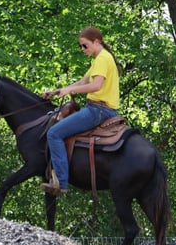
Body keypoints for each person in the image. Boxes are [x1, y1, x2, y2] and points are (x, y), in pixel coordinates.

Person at [40, 26, 121, 195]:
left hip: (98, 110)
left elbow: (96, 85)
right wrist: (58, 91)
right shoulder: (100, 58)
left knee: (54, 133)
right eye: (81, 46)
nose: (83, 49)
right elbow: (83, 82)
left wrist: (70, 91)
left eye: (85, 45)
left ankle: (61, 183)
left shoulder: (102, 59)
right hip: (102, 109)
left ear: (96, 42)